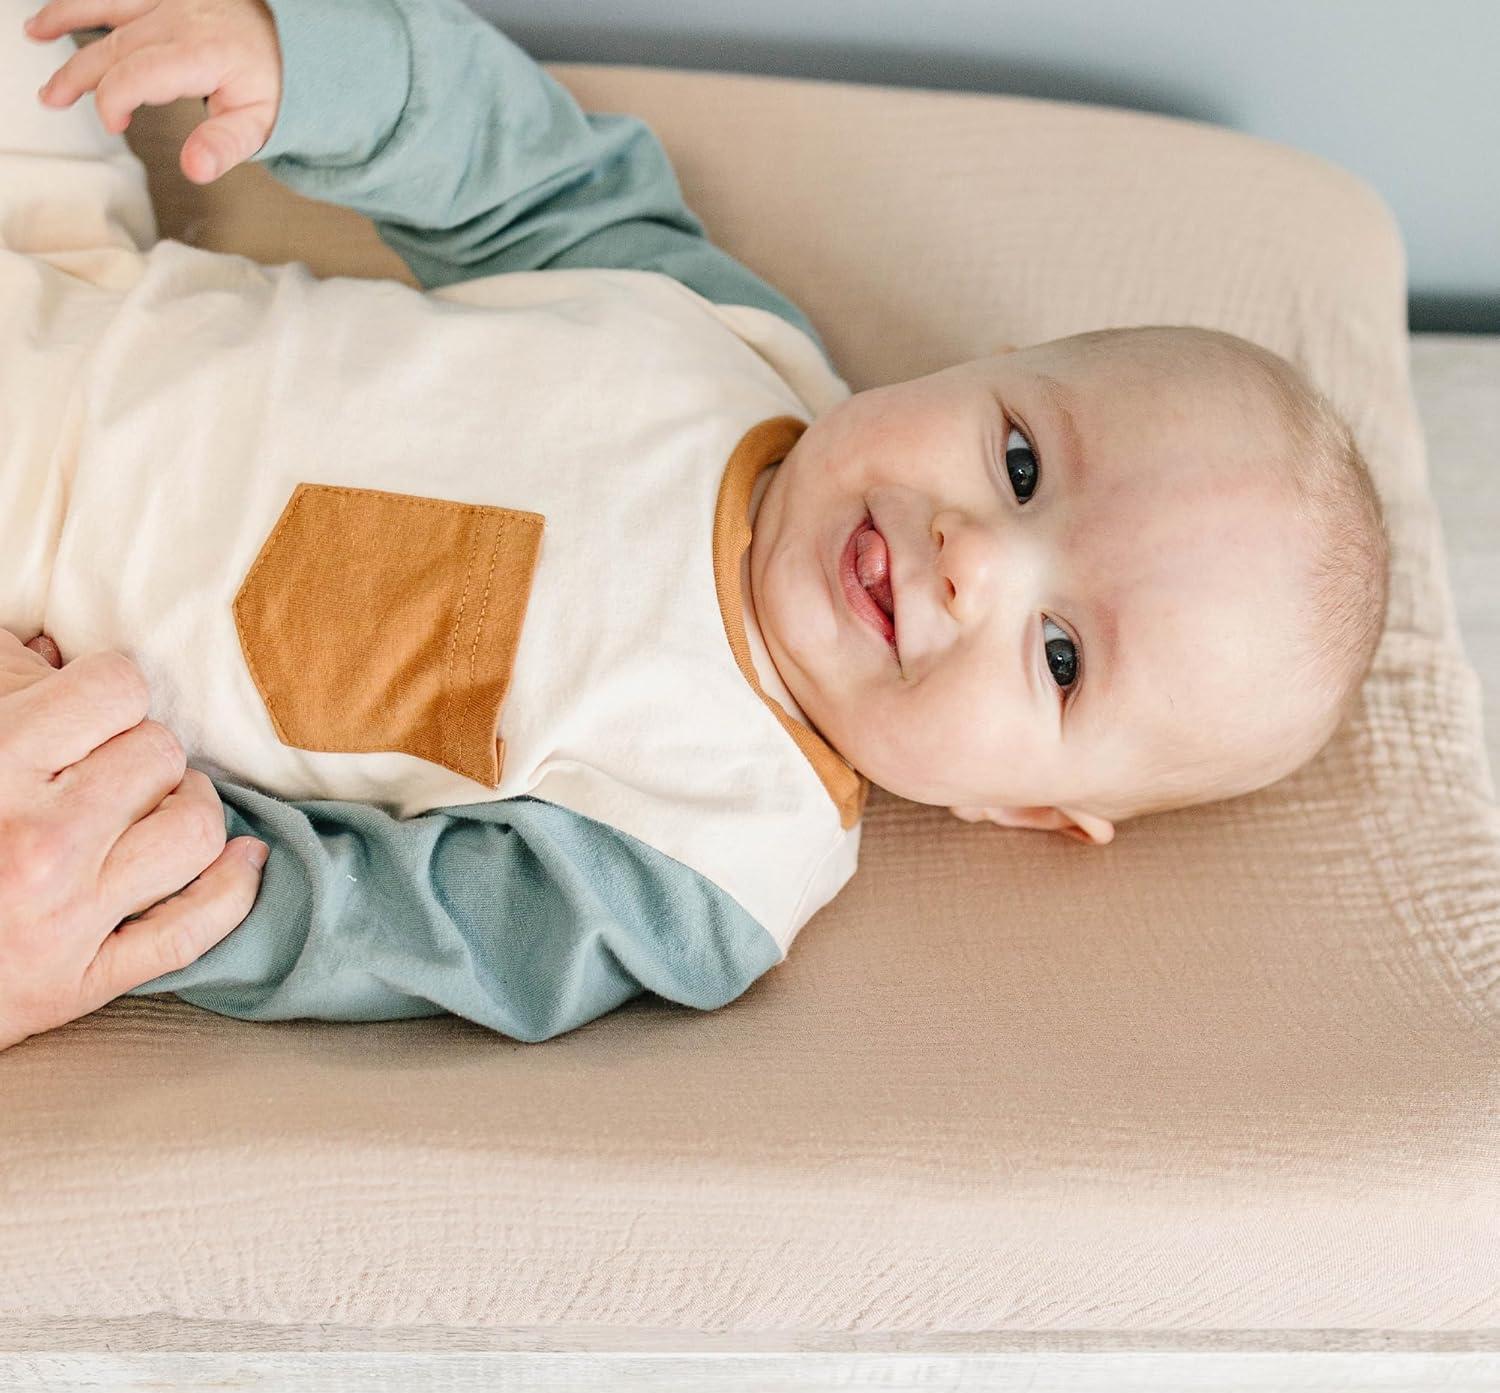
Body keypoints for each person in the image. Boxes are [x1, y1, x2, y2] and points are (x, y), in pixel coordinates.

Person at [1, 0, 1389, 1049]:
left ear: (1020, 806)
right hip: (75, 270)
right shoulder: (731, 338)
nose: (973, 559)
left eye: (1062, 656)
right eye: (1021, 461)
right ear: (982, 371)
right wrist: (303, 64)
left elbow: (384, 926)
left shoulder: (717, 855)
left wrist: (145, 885)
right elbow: (525, 173)